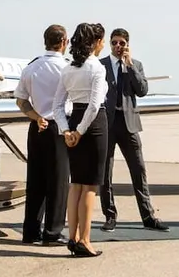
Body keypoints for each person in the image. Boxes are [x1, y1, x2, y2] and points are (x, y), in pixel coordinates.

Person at [100, 28, 168, 232]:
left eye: (121, 43)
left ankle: (148, 216)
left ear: (127, 44)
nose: (117, 47)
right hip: (108, 123)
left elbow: (143, 90)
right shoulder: (101, 65)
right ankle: (110, 215)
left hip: (129, 124)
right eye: (114, 43)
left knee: (139, 170)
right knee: (106, 172)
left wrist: (130, 67)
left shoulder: (135, 65)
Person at [52, 22, 109, 257]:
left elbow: (56, 105)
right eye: (102, 40)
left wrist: (68, 131)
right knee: (90, 185)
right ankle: (85, 239)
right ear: (96, 42)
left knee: (76, 183)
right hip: (93, 125)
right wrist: (81, 131)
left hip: (74, 118)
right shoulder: (96, 68)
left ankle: (73, 236)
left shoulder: (68, 69)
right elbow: (95, 105)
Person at [14, 24, 71, 245]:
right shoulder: (66, 68)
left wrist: (36, 116)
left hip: (37, 126)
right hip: (59, 126)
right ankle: (53, 232)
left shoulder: (32, 67)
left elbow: (21, 101)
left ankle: (30, 231)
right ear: (64, 42)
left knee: (36, 181)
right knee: (58, 182)